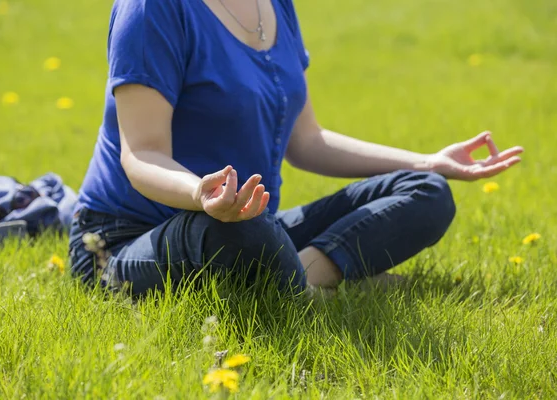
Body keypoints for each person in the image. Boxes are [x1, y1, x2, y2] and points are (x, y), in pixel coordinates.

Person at [69, 0, 524, 296]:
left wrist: (428, 161)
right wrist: (200, 195)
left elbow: (307, 141)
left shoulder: (276, 6)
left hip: (248, 222)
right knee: (242, 234)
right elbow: (141, 154)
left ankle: (297, 281)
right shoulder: (154, 9)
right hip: (124, 242)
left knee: (427, 191)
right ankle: (319, 289)